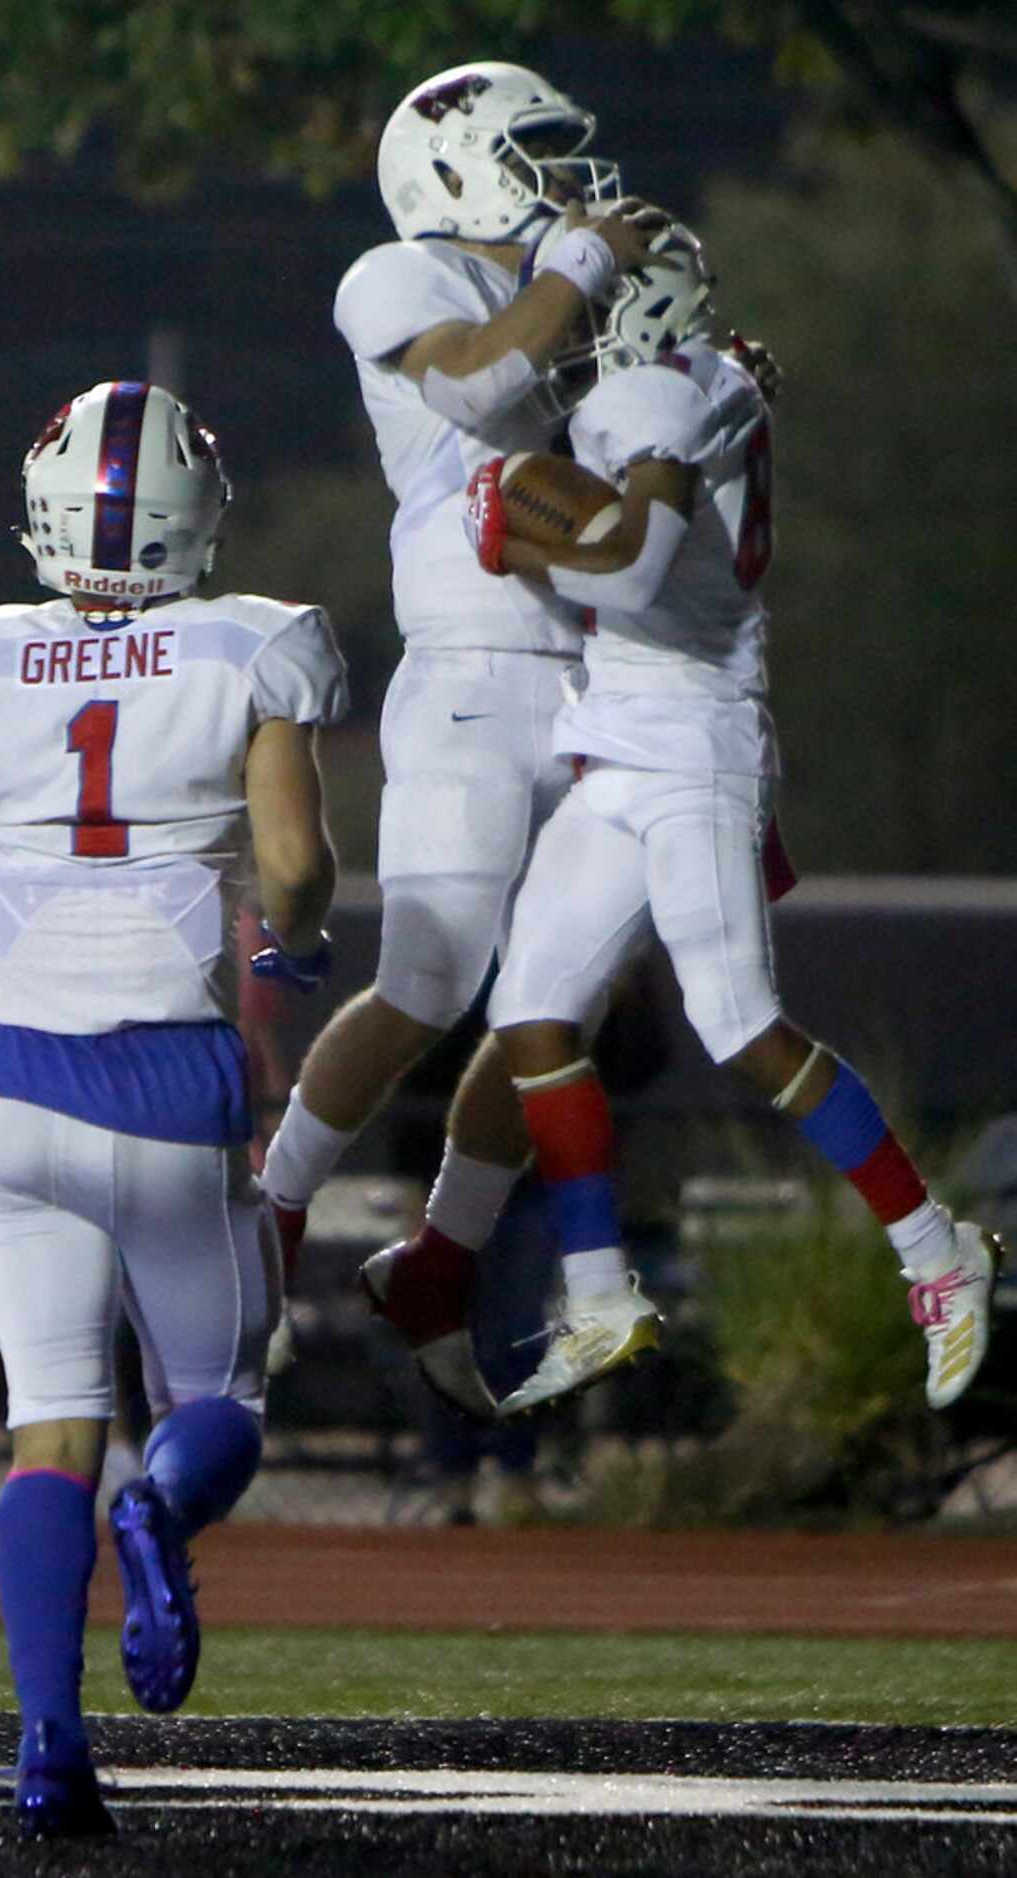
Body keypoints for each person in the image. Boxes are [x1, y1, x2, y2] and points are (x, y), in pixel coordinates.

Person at [0, 381, 344, 1838]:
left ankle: (48, 1749)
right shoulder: (250, 640)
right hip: (169, 1076)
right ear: (197, 511)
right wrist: (290, 942)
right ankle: (161, 1510)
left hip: (14, 1078)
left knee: (45, 1430)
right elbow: (294, 864)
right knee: (219, 1398)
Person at [467, 226, 1003, 1415]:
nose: (564, 335)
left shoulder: (650, 389)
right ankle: (601, 1293)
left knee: (738, 1022)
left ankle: (933, 1250)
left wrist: (522, 543)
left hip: (690, 742)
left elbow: (633, 567)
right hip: (623, 733)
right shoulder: (696, 377)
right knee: (528, 1012)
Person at [258, 61, 669, 1418]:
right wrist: (581, 275)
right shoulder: (399, 273)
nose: (565, 183)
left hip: (605, 669)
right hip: (476, 671)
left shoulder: (574, 287)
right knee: (427, 974)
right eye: (537, 155)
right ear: (458, 166)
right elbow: (485, 395)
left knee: (562, 996)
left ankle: (443, 1250)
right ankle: (266, 1220)